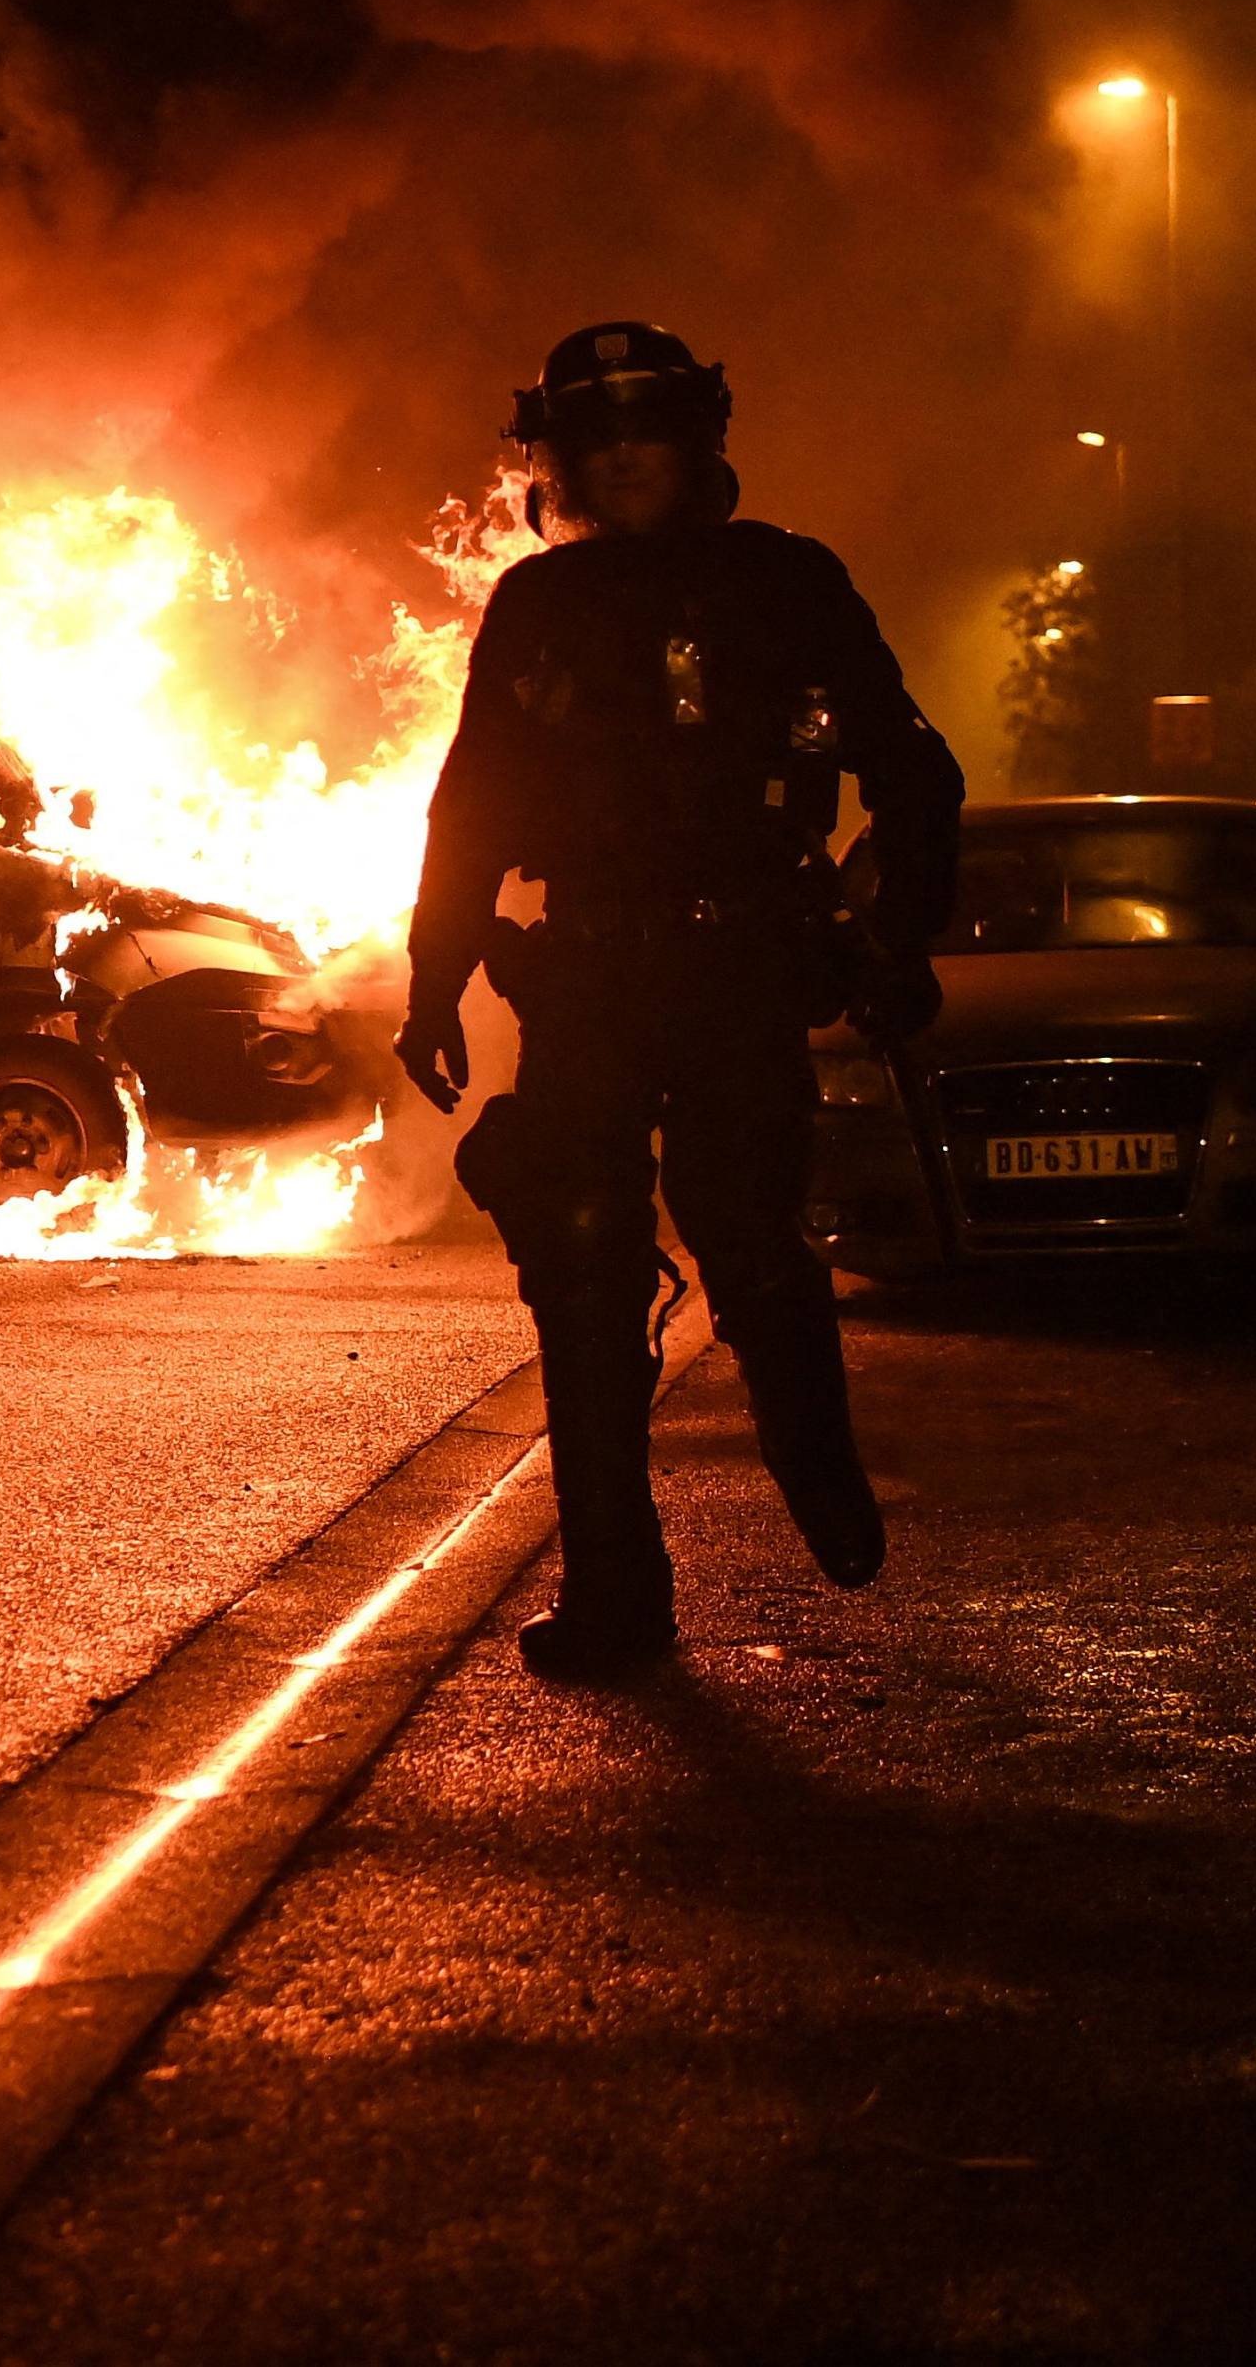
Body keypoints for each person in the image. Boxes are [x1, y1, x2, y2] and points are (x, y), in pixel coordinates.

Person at [399, 322, 964, 1681]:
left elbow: (912, 771)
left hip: (740, 971)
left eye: (651, 430)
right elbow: (471, 807)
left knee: (749, 1240)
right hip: (590, 974)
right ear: (566, 461)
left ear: (703, 444)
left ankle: (815, 1463)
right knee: (582, 1277)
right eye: (601, 437)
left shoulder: (789, 585)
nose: (628, 456)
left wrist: (893, 934)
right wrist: (436, 974)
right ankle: (616, 1596)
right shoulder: (539, 608)